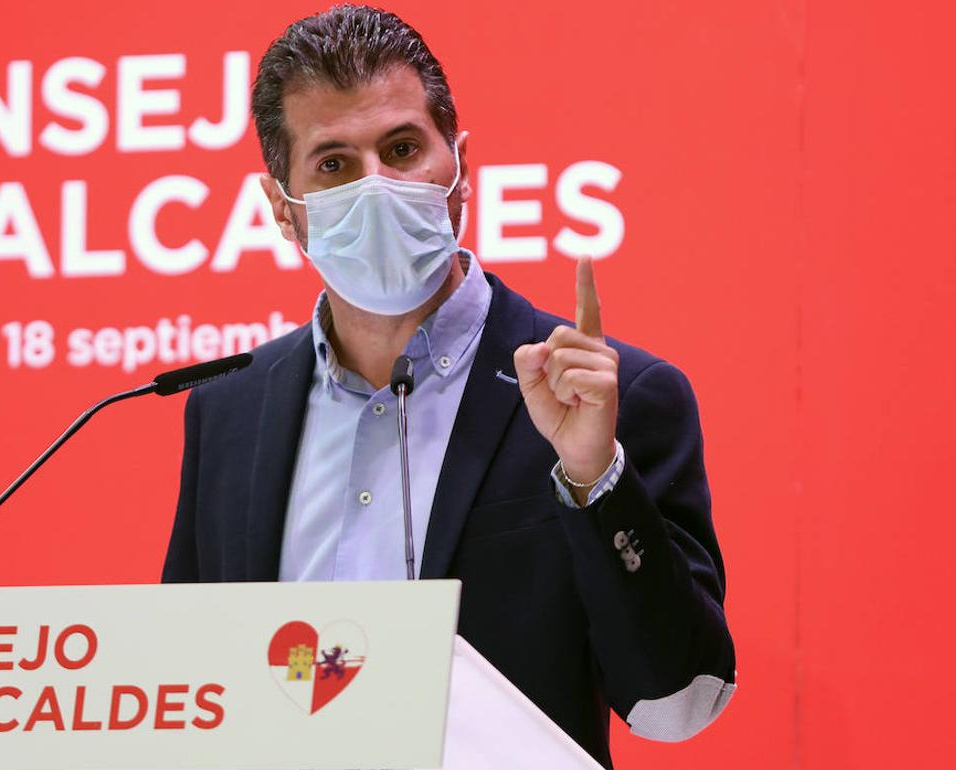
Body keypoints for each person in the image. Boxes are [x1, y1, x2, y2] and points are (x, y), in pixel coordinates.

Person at [162, 5, 735, 765]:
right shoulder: (229, 410)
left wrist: (596, 481)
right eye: (333, 164)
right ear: (281, 209)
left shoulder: (612, 396)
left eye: (402, 149)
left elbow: (677, 706)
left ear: (459, 170)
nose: (376, 188)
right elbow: (189, 695)